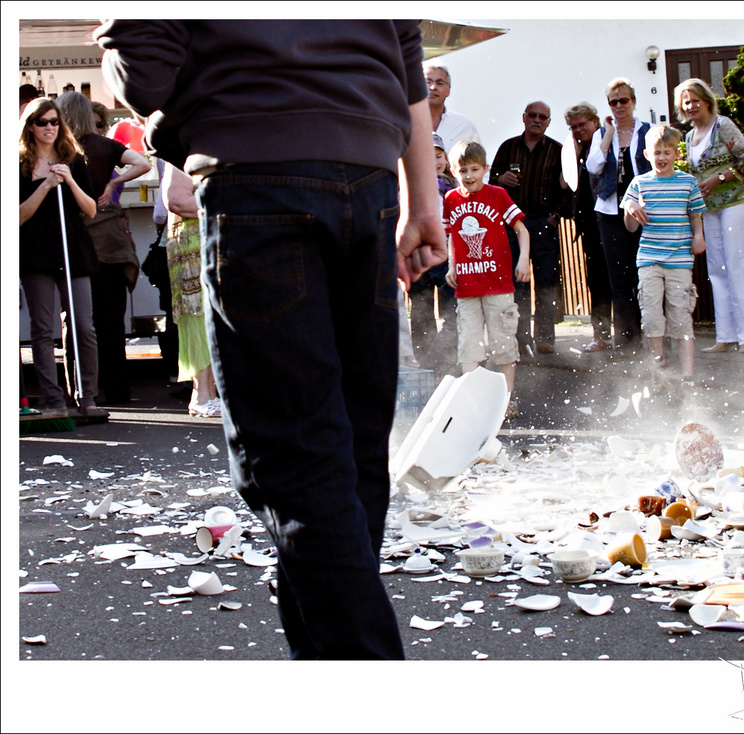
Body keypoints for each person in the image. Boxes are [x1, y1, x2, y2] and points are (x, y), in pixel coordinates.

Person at [97, 19, 446, 660]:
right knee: (351, 453)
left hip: (256, 175)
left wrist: (152, 106)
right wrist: (423, 199)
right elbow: (406, 54)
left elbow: (141, 72)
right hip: (367, 179)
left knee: (299, 461)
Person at [57, 91, 151, 405]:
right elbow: (141, 163)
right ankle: (119, 390)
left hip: (78, 241)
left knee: (80, 321)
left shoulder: (61, 150)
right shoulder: (105, 147)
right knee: (113, 321)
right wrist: (111, 185)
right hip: (111, 243)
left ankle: (82, 391)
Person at [18, 97, 103, 419]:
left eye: (54, 122)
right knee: (42, 327)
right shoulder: (19, 164)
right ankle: (54, 401)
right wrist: (45, 185)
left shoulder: (73, 160)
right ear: (30, 126)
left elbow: (91, 209)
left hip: (73, 250)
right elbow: (18, 216)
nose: (50, 128)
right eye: (42, 122)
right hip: (36, 252)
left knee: (83, 325)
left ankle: (86, 395)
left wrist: (67, 180)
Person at [675, 78, 744, 354]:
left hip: (735, 202)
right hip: (711, 209)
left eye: (694, 100)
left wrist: (719, 177)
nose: (690, 105)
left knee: (740, 264)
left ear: (706, 100)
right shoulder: (689, 137)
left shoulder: (723, 125)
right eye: (686, 101)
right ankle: (727, 334)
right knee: (718, 269)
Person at [443, 140, 530, 418]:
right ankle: (476, 404)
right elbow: (451, 237)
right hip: (467, 287)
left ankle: (505, 400)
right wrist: (451, 265)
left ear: (485, 168)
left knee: (503, 345)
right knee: (469, 349)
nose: (468, 176)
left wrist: (523, 259)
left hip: (498, 286)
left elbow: (522, 229)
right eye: (462, 171)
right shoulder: (451, 199)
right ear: (453, 171)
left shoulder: (498, 195)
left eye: (474, 169)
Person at [622, 124, 706, 383]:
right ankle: (659, 368)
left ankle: (688, 374)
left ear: (676, 154)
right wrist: (631, 208)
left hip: (679, 259)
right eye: (656, 152)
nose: (662, 158)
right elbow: (631, 227)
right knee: (651, 316)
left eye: (667, 152)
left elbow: (695, 214)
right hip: (649, 259)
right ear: (647, 154)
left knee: (680, 315)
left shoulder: (687, 182)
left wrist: (699, 236)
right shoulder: (640, 183)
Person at [490, 101, 567, 355]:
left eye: (542, 117)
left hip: (544, 223)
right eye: (532, 115)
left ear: (549, 121)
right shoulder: (507, 147)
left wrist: (554, 217)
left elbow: (569, 189)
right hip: (512, 224)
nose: (537, 120)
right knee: (517, 282)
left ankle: (545, 339)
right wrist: (500, 179)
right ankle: (521, 340)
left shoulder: (557, 150)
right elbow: (490, 183)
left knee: (546, 282)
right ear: (523, 117)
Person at [586, 78, 651, 356]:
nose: (619, 105)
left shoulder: (648, 131)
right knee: (619, 276)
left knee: (646, 274)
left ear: (633, 102)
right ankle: (627, 337)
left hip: (644, 212)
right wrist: (610, 134)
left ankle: (653, 334)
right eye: (613, 101)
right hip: (611, 212)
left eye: (624, 100)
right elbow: (593, 166)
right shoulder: (602, 133)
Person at [161, 163, 221, 417]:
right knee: (198, 315)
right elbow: (175, 200)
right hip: (194, 242)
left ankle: (212, 394)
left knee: (214, 316)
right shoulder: (183, 151)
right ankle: (202, 396)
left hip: (210, 238)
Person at [408, 132, 459, 379]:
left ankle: (436, 364)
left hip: (446, 255)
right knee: (420, 311)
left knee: (454, 311)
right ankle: (425, 364)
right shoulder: (410, 184)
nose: (434, 161)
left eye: (438, 155)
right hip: (418, 255)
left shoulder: (452, 186)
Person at [564, 102, 613, 353]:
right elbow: (567, 183)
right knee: (597, 281)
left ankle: (629, 335)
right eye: (573, 127)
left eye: (582, 124)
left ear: (595, 121)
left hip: (609, 222)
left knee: (618, 280)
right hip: (589, 226)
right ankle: (601, 335)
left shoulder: (605, 143)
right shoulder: (576, 149)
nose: (578, 130)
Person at [423, 60, 480, 154]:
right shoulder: (405, 122)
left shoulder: (464, 125)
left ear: (448, 90)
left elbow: (478, 163)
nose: (433, 87)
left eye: (440, 83)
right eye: (427, 81)